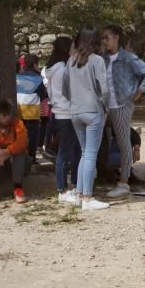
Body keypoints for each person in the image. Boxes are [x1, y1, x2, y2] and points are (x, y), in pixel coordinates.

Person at [102, 25, 145, 198]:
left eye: (107, 37)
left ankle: (124, 182)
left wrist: (139, 92)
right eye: (103, 38)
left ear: (116, 37)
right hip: (104, 106)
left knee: (124, 143)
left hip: (122, 104)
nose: (105, 41)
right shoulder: (102, 59)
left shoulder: (128, 58)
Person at [64, 27, 110, 210]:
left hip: (75, 111)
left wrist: (75, 101)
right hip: (93, 111)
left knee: (85, 153)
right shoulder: (97, 60)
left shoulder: (71, 61)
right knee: (91, 154)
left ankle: (80, 194)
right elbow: (105, 89)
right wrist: (104, 108)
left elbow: (65, 88)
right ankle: (88, 198)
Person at [43, 36, 82, 204]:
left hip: (59, 111)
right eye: (72, 47)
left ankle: (71, 185)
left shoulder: (52, 68)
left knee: (71, 150)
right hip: (67, 112)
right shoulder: (63, 69)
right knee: (65, 152)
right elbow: (68, 91)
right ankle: (62, 188)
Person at [16, 54, 47, 166]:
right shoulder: (37, 78)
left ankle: (19, 156)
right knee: (33, 136)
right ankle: (31, 158)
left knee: (20, 134)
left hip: (19, 111)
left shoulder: (19, 76)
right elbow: (43, 95)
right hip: (32, 112)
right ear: (34, 65)